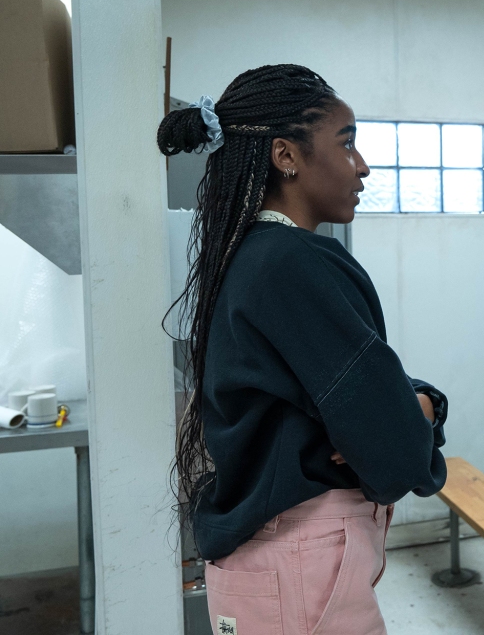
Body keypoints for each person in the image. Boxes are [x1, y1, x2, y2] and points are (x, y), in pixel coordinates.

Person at [158, 64, 448, 635]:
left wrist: (389, 413)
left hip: (277, 562)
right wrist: (424, 408)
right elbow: (394, 448)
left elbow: (362, 417)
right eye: (347, 143)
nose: (362, 165)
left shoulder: (252, 256)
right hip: (298, 563)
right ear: (286, 155)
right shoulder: (294, 263)